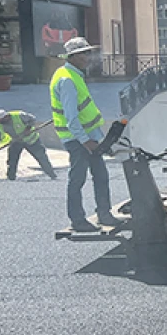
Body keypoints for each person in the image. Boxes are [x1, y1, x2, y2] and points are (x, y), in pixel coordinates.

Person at [51, 37, 118, 232]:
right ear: (72, 56)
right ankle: (78, 220)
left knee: (101, 176)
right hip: (79, 140)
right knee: (78, 179)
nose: (88, 57)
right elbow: (72, 118)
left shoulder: (73, 75)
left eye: (88, 53)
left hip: (88, 137)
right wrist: (86, 141)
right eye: (84, 53)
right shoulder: (67, 80)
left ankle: (104, 214)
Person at [0, 109, 58, 181]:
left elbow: (32, 119)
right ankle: (11, 178)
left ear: (6, 116)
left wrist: (28, 129)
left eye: (2, 120)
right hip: (16, 142)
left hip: (31, 140)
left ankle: (52, 175)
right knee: (12, 161)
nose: (1, 122)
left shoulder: (19, 115)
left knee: (41, 157)